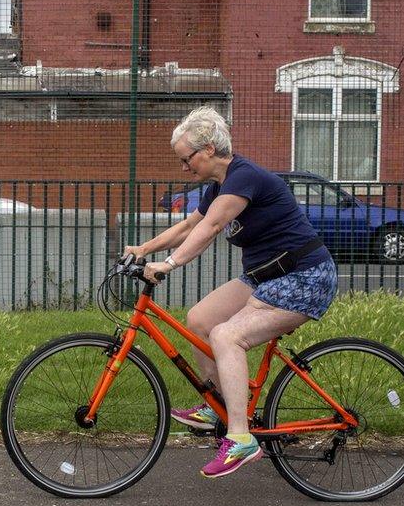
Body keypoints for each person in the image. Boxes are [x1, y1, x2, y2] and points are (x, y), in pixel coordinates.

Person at [123, 106, 337, 479]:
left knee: (227, 335)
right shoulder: (220, 185)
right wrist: (143, 250)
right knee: (200, 319)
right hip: (265, 277)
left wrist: (169, 265)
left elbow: (212, 228)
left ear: (207, 149)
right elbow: (191, 224)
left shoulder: (245, 177)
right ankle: (220, 405)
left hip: (304, 277)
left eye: (186, 158)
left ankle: (241, 437)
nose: (184, 167)